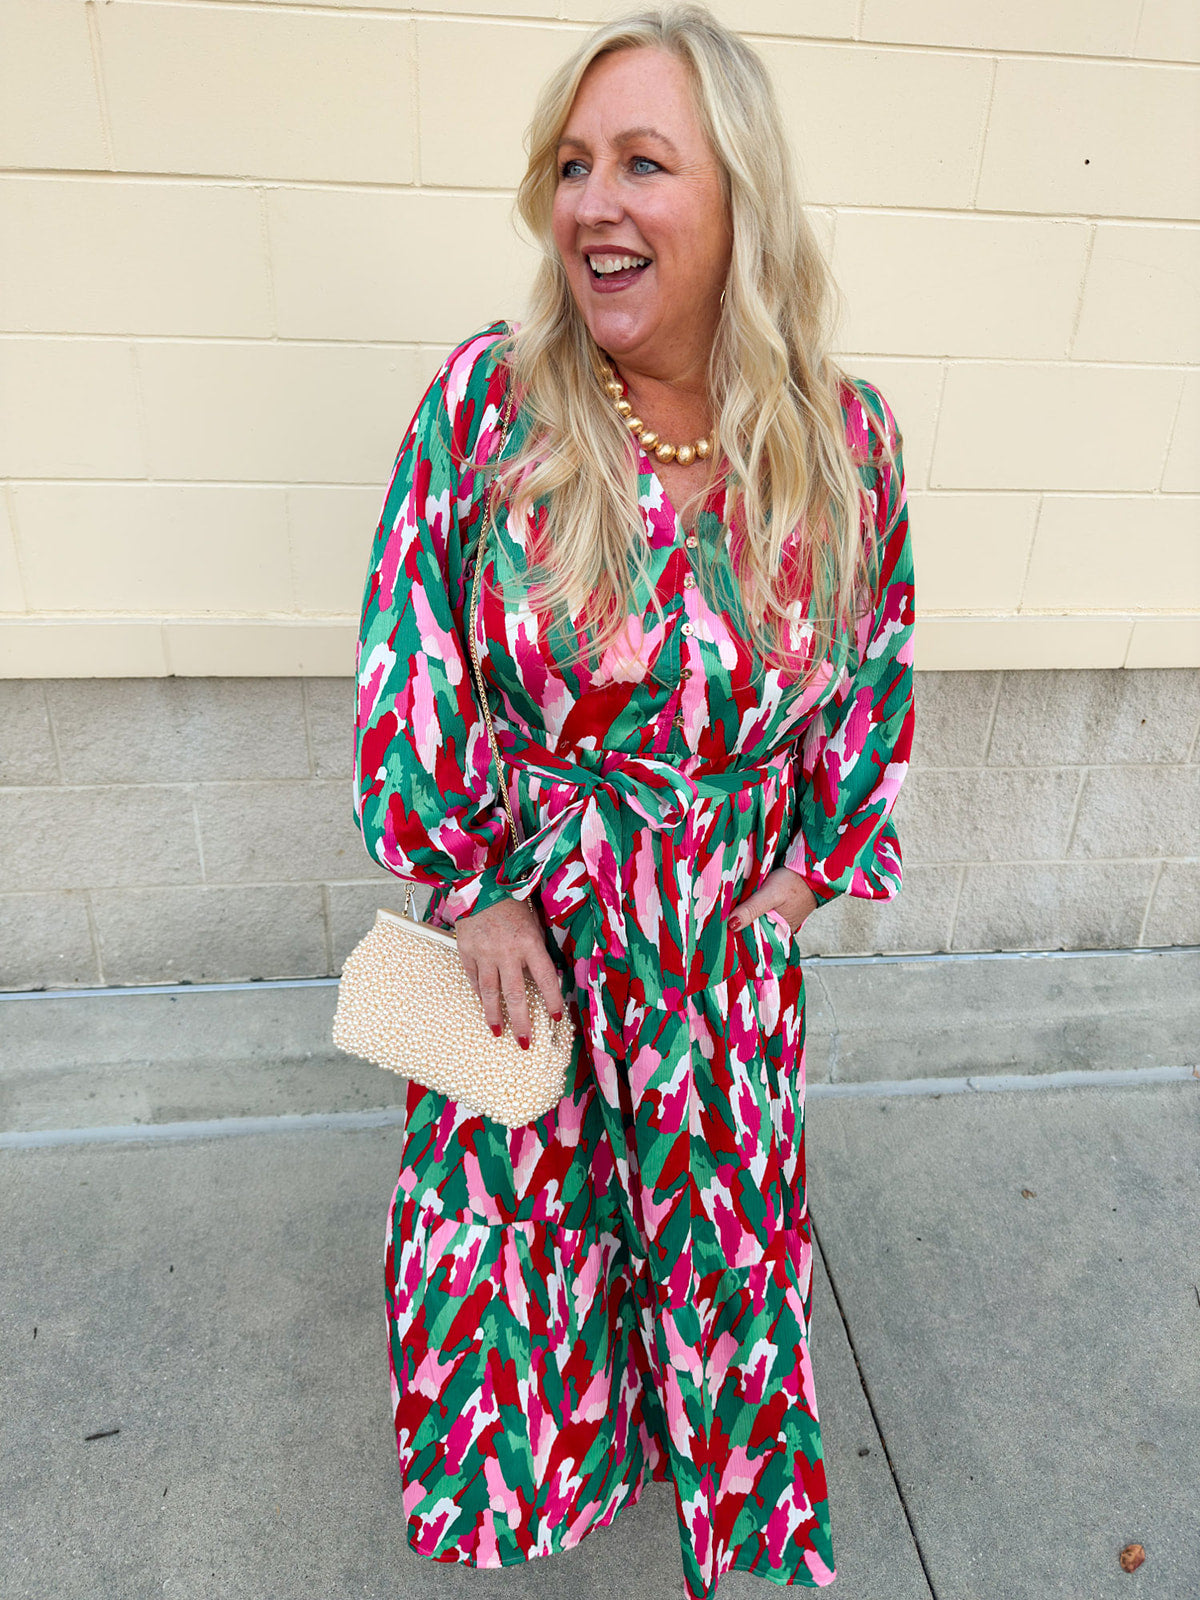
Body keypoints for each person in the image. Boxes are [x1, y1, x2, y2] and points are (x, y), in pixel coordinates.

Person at [352, 6, 913, 1595]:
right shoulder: (490, 408)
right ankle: (539, 1498)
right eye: (574, 164)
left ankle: (721, 1509)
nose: (593, 201)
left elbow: (874, 673)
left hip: (720, 949)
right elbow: (412, 653)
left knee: (724, 1271)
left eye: (643, 163)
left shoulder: (841, 441)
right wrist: (478, 887)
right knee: (517, 1258)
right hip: (531, 933)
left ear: (739, 197)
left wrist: (798, 885)